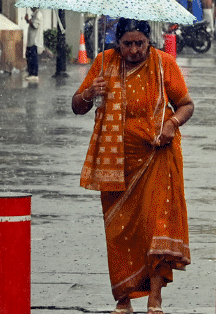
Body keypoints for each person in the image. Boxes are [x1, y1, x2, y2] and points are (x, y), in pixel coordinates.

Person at [72, 18, 195, 314]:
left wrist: (172, 123)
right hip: (115, 162)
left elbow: (186, 104)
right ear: (118, 43)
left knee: (155, 227)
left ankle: (155, 298)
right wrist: (90, 93)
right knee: (120, 232)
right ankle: (123, 297)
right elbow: (77, 105)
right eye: (128, 43)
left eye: (140, 43)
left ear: (148, 41)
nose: (134, 49)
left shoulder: (164, 64)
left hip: (156, 157)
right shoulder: (103, 63)